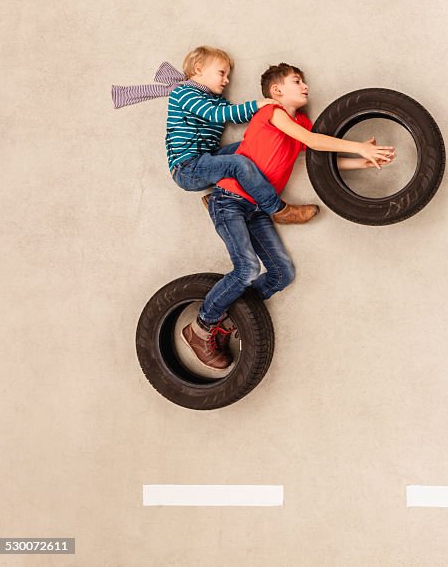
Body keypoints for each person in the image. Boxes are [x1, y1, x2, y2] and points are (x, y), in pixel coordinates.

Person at [182, 62, 395, 370]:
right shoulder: (272, 113)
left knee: (284, 273)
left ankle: (228, 320)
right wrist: (358, 147)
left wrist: (361, 161)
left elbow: (316, 157)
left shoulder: (303, 124)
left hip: (256, 209)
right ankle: (201, 327)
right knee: (246, 269)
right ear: (276, 90)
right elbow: (312, 142)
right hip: (230, 199)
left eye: (304, 81)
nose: (305, 86)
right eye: (297, 81)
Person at [112, 45, 319, 224]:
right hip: (187, 168)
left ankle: (216, 199)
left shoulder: (216, 100)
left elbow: (235, 116)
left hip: (207, 159)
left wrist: (268, 111)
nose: (227, 80)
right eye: (222, 73)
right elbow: (216, 115)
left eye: (228, 75)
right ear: (199, 69)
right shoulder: (183, 93)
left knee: (248, 150)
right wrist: (257, 104)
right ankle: (278, 209)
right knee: (238, 163)